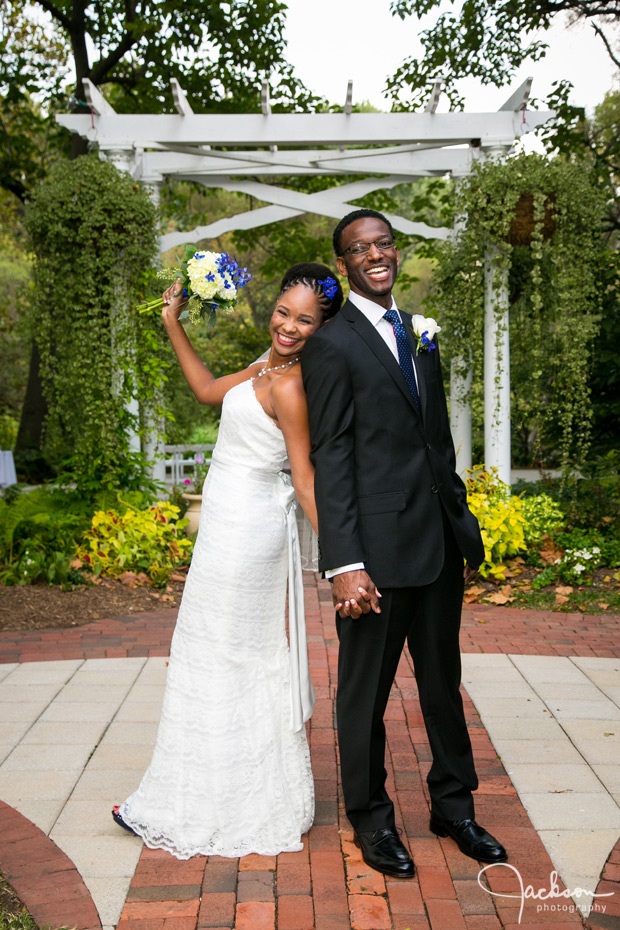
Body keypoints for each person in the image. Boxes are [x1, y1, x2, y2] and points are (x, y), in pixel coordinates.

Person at [300, 209, 507, 879]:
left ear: (395, 252)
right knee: (365, 692)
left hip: (437, 543)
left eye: (382, 243)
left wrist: (460, 521)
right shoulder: (330, 345)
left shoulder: (420, 334)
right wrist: (344, 562)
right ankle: (370, 816)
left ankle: (454, 806)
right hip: (375, 556)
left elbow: (433, 440)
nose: (375, 255)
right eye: (359, 249)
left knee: (443, 684)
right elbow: (330, 455)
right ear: (344, 266)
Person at [112, 262, 343, 859]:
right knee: (209, 654)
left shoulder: (291, 386)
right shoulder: (268, 364)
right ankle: (197, 792)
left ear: (323, 328)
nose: (289, 326)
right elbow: (210, 391)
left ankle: (234, 802)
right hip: (223, 529)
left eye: (305, 320)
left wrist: (342, 562)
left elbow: (305, 478)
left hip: (250, 536)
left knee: (232, 656)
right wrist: (172, 323)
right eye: (284, 312)